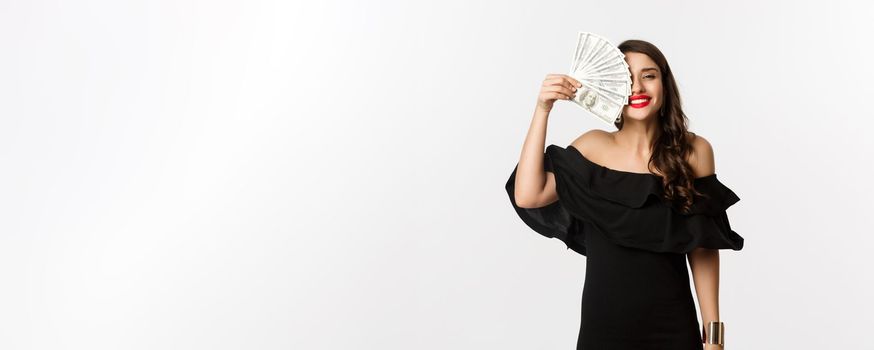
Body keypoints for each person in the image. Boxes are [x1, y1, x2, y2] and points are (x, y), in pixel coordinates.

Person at [504, 39, 744, 350]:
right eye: (627, 78)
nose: (637, 88)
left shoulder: (695, 152)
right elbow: (528, 195)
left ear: (665, 84)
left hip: (674, 327)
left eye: (649, 75)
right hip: (604, 328)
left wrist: (714, 338)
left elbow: (703, 248)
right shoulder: (591, 146)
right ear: (612, 87)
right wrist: (542, 109)